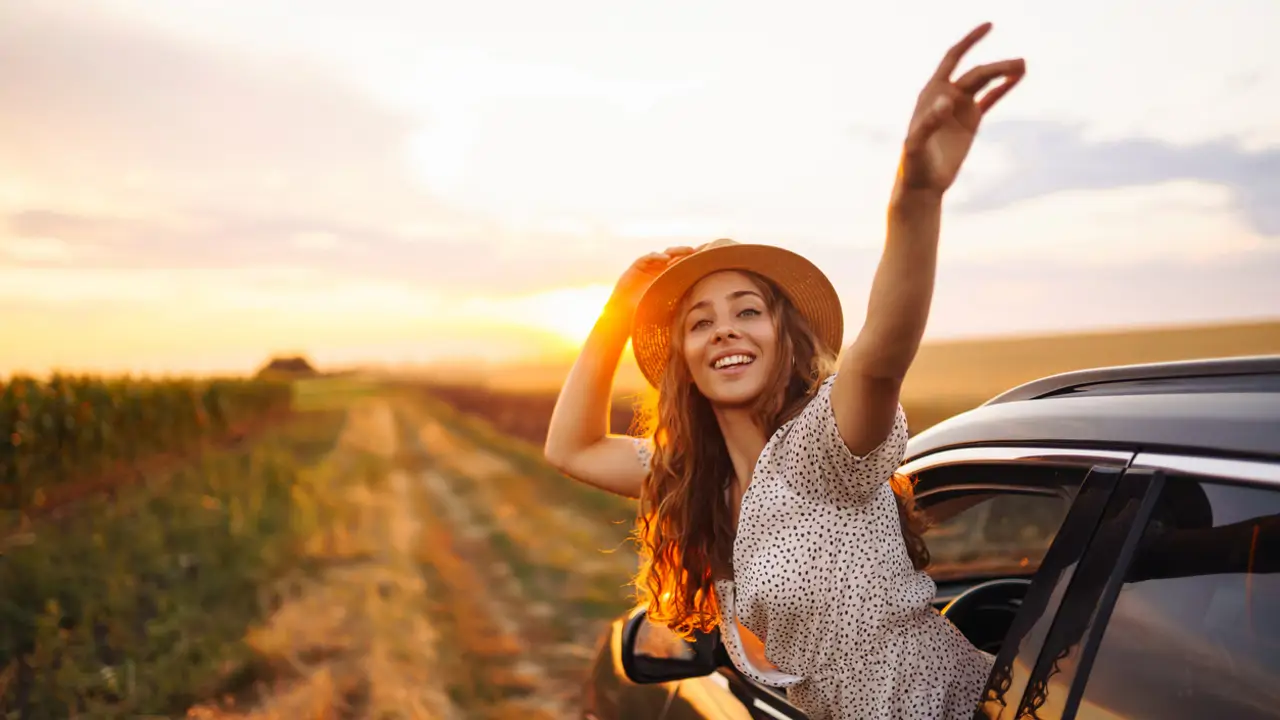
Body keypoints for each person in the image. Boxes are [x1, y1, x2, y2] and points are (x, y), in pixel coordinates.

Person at [544, 21, 1026, 720]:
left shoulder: (825, 448)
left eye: (748, 311)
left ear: (784, 337)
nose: (726, 331)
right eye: (699, 322)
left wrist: (915, 195)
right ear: (683, 360)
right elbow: (571, 447)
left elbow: (883, 350)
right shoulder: (692, 477)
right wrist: (621, 304)